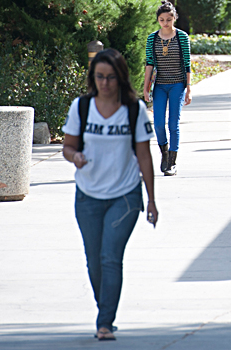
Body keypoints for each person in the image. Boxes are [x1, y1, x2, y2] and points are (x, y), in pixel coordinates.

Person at [62, 49, 158, 341]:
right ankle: (105, 307)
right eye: (99, 77)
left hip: (125, 195)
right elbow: (67, 146)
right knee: (94, 261)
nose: (104, 83)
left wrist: (152, 199)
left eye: (111, 78)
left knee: (110, 257)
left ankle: (104, 321)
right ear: (93, 78)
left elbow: (144, 156)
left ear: (121, 78)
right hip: (88, 195)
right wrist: (75, 157)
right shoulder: (81, 107)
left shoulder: (133, 110)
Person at [144, 1, 192, 176]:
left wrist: (188, 88)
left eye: (169, 19)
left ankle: (172, 162)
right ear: (158, 20)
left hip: (177, 85)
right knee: (157, 124)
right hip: (159, 86)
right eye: (162, 19)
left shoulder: (182, 37)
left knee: (173, 124)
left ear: (174, 19)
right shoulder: (152, 38)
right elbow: (149, 64)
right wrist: (145, 88)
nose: (166, 23)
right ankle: (164, 153)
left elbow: (187, 64)